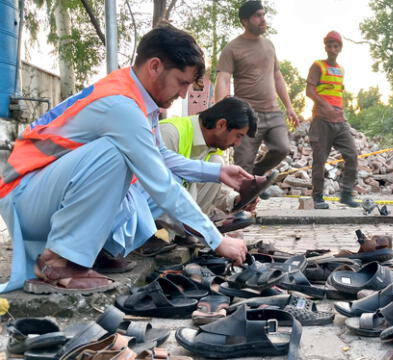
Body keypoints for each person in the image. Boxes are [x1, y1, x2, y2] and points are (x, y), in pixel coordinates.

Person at [0, 24, 249, 294]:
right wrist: (216, 240)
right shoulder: (122, 105)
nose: (183, 94)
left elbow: (161, 157)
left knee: (141, 179)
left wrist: (218, 173)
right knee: (118, 156)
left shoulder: (137, 99)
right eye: (182, 82)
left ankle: (92, 250)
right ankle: (59, 261)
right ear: (155, 66)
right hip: (23, 196)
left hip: (46, 192)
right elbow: (161, 182)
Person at [214, 0, 301, 176]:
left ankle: (256, 175)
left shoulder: (269, 45)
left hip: (273, 111)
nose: (263, 20)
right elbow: (223, 78)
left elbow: (277, 75)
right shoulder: (232, 48)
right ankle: (243, 199)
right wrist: (222, 109)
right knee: (244, 162)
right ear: (245, 21)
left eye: (263, 15)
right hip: (247, 115)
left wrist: (289, 107)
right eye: (257, 16)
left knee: (282, 148)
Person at [158, 97, 257, 238]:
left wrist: (237, 200)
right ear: (221, 124)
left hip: (177, 218)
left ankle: (189, 230)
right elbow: (152, 187)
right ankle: (165, 235)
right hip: (149, 219)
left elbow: (215, 191)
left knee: (215, 164)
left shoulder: (213, 147)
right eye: (238, 136)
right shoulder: (170, 134)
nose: (237, 143)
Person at [305, 31, 359, 209]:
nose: (332, 49)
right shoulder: (317, 66)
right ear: (325, 47)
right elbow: (309, 91)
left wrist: (340, 111)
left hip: (339, 122)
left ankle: (346, 194)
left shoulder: (341, 70)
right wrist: (324, 105)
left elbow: (337, 94)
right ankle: (318, 197)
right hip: (321, 121)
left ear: (340, 48)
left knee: (351, 155)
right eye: (329, 45)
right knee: (319, 159)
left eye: (335, 46)